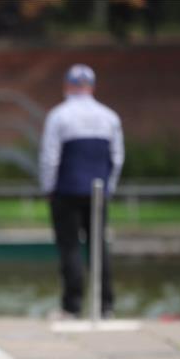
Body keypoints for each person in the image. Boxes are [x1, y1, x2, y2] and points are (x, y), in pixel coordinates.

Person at [39, 64, 124, 319]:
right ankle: (106, 305)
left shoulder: (59, 115)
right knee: (99, 247)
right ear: (92, 87)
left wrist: (48, 187)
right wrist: (110, 187)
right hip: (98, 193)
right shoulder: (110, 117)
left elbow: (49, 157)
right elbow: (117, 158)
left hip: (66, 190)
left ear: (67, 86)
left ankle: (72, 306)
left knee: (70, 248)